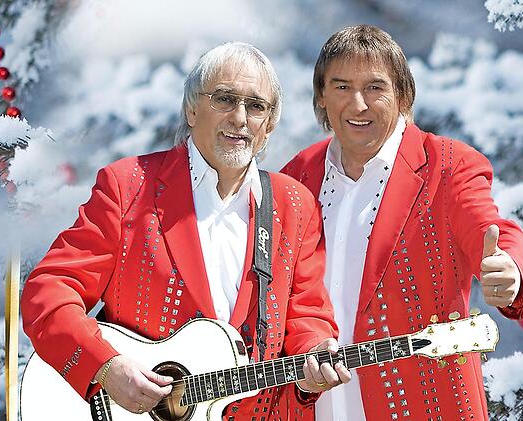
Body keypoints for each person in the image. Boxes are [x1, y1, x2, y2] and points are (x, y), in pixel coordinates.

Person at [21, 42, 350, 419]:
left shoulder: (295, 204)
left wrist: (314, 355)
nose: (240, 118)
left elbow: (307, 313)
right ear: (191, 109)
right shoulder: (129, 186)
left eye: (256, 106)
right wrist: (105, 367)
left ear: (269, 125)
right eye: (224, 99)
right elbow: (49, 290)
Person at [282, 25, 523, 420]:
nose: (358, 104)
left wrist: (510, 269)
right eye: (342, 87)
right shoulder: (295, 176)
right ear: (322, 97)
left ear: (403, 95)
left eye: (375, 87)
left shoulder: (448, 165)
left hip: (424, 406)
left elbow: (494, 230)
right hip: (316, 407)